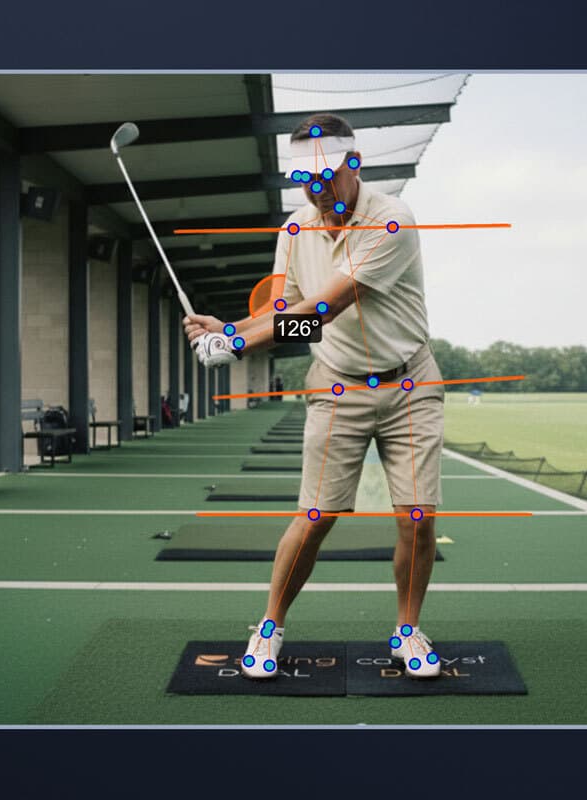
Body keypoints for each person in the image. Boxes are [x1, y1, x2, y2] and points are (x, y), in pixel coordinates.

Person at [183, 112, 445, 679]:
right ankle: (270, 625)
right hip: (335, 383)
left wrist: (232, 340)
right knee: (316, 516)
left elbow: (330, 303)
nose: (317, 191)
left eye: (327, 178)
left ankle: (408, 631)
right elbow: (297, 322)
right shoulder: (294, 230)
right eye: (307, 180)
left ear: (355, 165)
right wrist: (238, 333)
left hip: (410, 384)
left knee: (417, 519)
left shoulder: (392, 221)